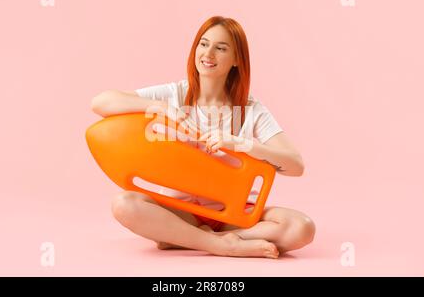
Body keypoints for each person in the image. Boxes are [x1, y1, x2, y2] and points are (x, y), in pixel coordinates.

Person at [90, 16, 315, 259]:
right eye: (204, 44)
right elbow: (101, 103)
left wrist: (242, 144)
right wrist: (160, 107)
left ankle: (186, 239)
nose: (209, 54)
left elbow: (295, 165)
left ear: (237, 59)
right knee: (124, 204)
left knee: (302, 227)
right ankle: (221, 245)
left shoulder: (251, 108)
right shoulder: (174, 94)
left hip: (236, 217)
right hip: (180, 212)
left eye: (221, 48)